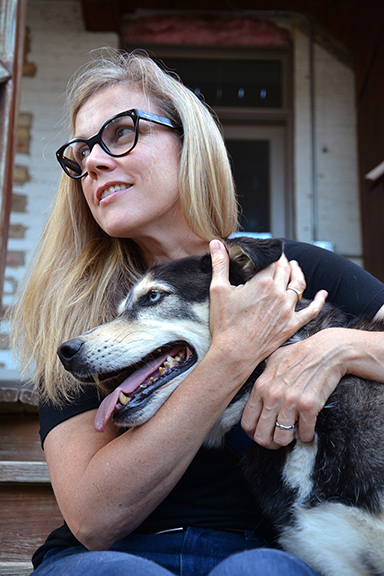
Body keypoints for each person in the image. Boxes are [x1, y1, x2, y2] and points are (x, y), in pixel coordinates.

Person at [10, 49, 384, 576]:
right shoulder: (83, 315)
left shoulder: (284, 269)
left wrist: (333, 347)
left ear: (191, 143)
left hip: (262, 552)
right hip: (112, 558)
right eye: (80, 153)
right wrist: (232, 355)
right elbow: (95, 520)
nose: (91, 162)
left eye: (120, 133)